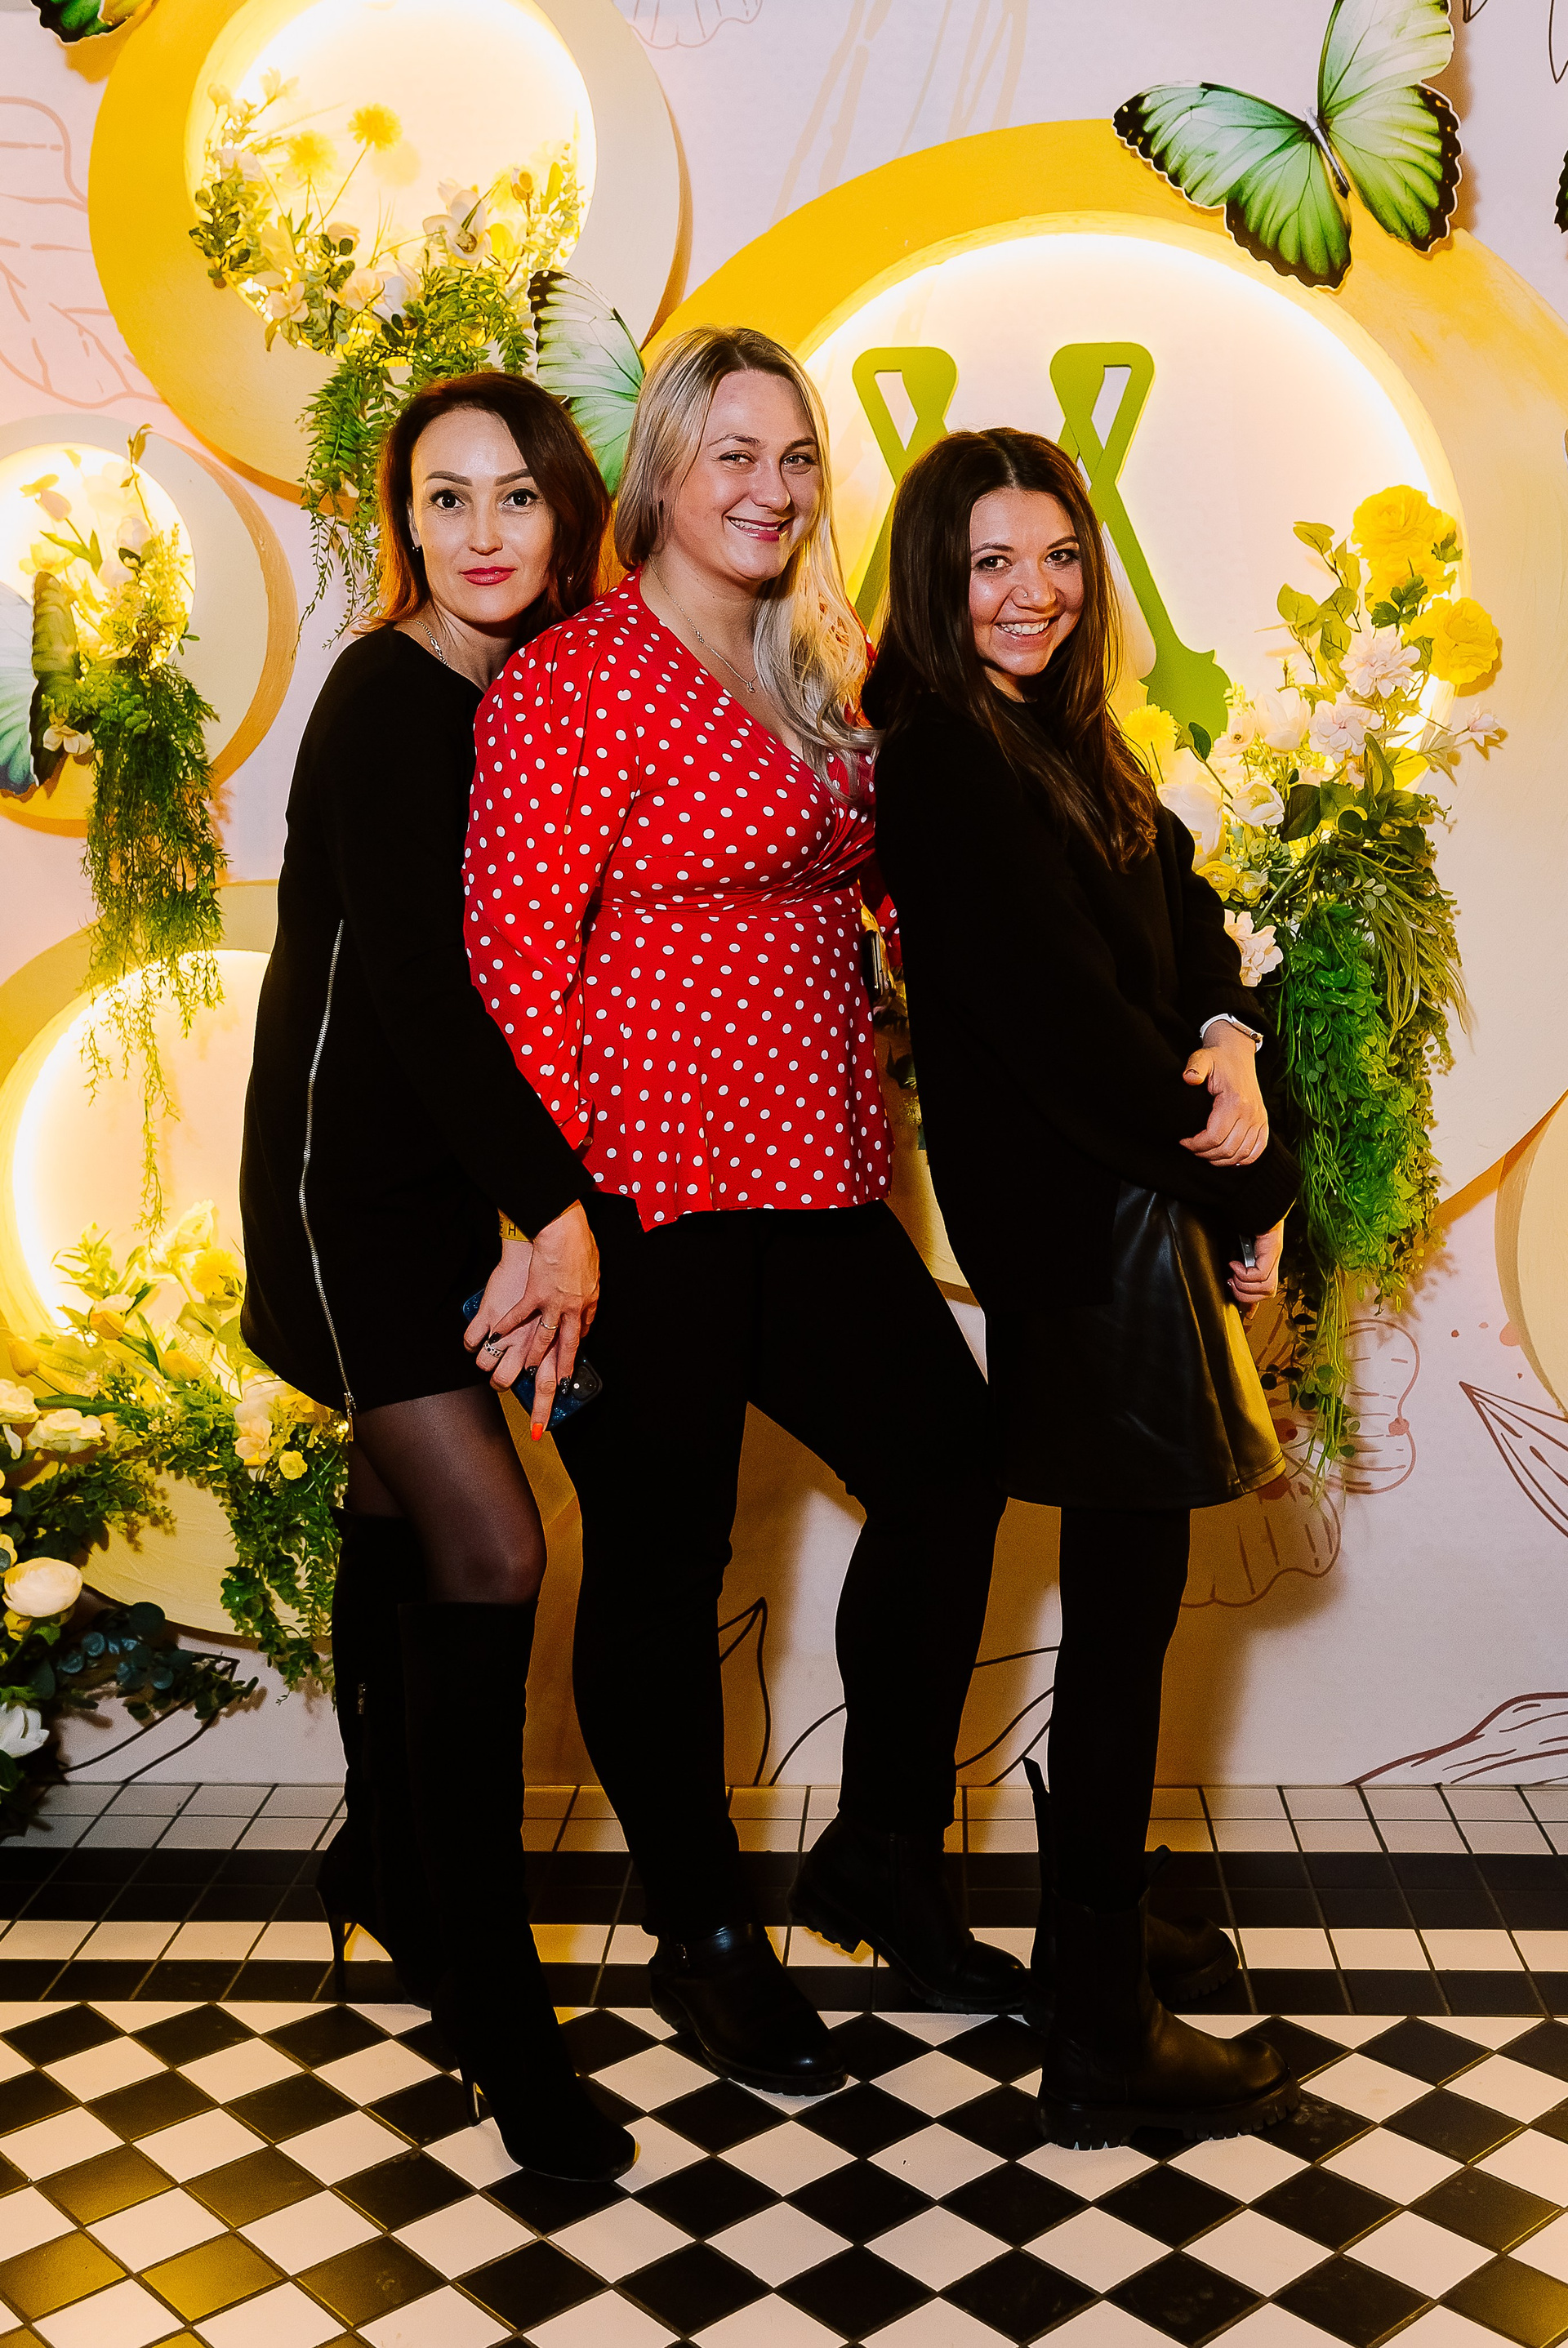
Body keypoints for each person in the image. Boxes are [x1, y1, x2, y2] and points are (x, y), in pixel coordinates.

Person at [461, 326, 1015, 2096]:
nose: (772, 491)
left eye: (796, 459)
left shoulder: (813, 663)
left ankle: (882, 1857)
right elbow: (507, 968)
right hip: (646, 1190)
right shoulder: (575, 679)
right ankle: (702, 1929)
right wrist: (547, 1215)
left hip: (819, 1168)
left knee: (950, 1465)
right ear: (663, 477)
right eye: (735, 456)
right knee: (664, 1560)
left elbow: (892, 876)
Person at [866, 426, 1303, 2149]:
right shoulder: (946, 764)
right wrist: (1250, 1170)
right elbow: (1073, 1043)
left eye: (1057, 555)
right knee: (1124, 1619)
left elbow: (1186, 928)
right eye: (992, 563)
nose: (1032, 591)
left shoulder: (1062, 738)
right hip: (1085, 1238)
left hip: (1133, 1215)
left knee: (1133, 1606)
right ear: (936, 581)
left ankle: (1089, 1926)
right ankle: (1102, 2024)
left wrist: (1233, 1037)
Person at [238, 373, 632, 2184]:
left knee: (403, 1523)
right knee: (497, 1550)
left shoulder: (537, 685)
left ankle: (390, 1866)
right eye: (444, 497)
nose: (481, 533)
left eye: (515, 496)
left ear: (564, 513)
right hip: (351, 1190)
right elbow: (415, 984)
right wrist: (550, 1208)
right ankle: (494, 2005)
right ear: (403, 520)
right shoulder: (391, 696)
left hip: (438, 1177)